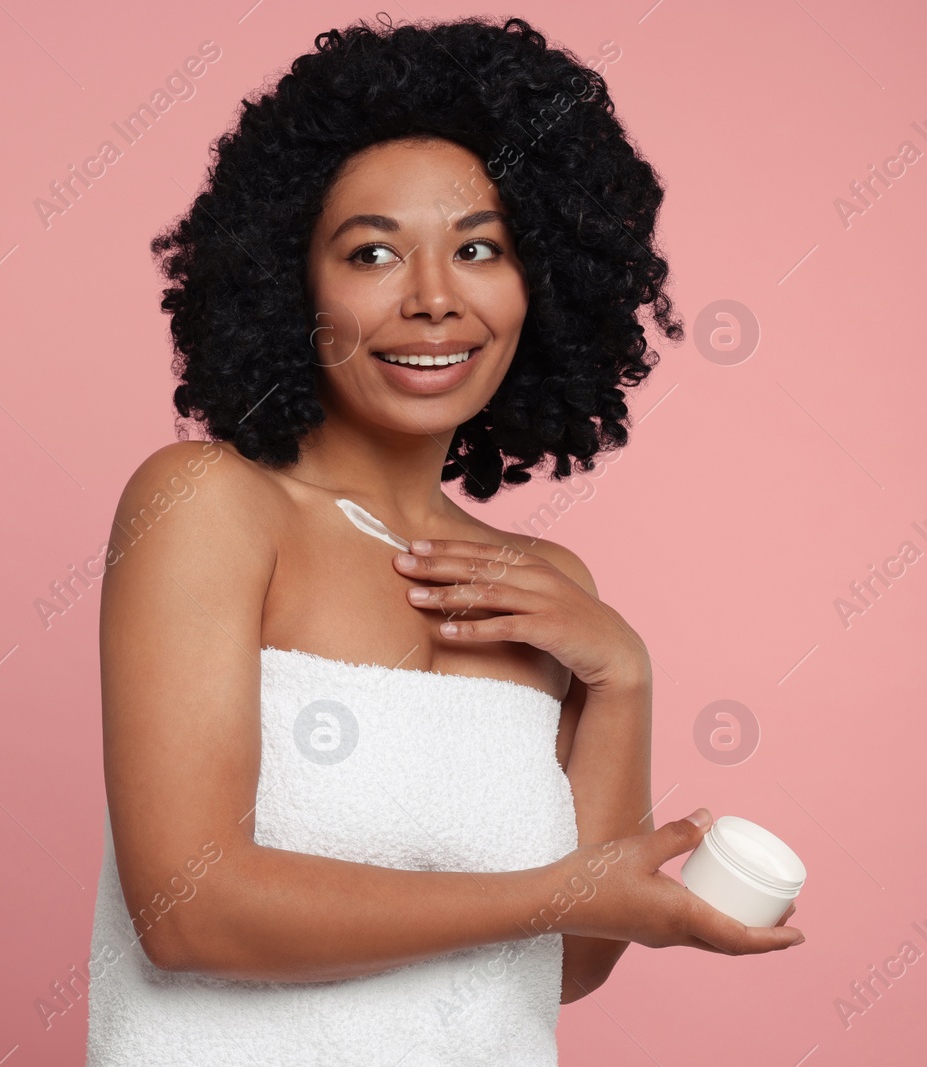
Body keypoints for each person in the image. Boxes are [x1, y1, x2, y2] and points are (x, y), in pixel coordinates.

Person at [85, 15, 802, 1066]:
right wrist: (557, 888)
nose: (432, 299)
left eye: (478, 248)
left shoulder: (546, 586)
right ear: (293, 284)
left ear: (542, 284)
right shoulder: (206, 506)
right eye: (371, 252)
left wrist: (624, 677)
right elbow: (191, 912)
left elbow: (563, 958)